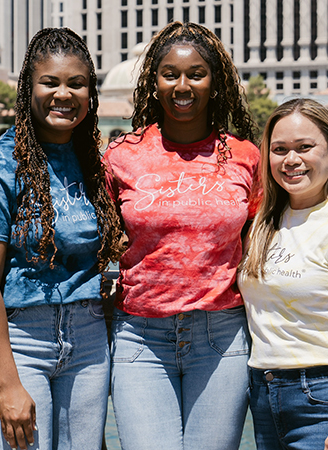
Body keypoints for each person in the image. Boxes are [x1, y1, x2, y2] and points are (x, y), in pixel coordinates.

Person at [0, 28, 123, 450]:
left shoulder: (92, 163)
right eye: (50, 82)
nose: (63, 94)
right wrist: (7, 383)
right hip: (19, 339)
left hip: (88, 339)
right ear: (28, 89)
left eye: (76, 84)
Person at [104, 21, 260, 450]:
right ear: (154, 83)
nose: (182, 85)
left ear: (215, 82)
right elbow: (100, 236)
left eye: (196, 74)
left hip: (221, 335)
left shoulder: (245, 157)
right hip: (141, 336)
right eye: (170, 74)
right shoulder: (121, 156)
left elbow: (262, 241)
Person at [238, 98, 328, 449]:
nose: (291, 159)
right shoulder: (263, 224)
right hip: (265, 393)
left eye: (305, 147)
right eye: (279, 149)